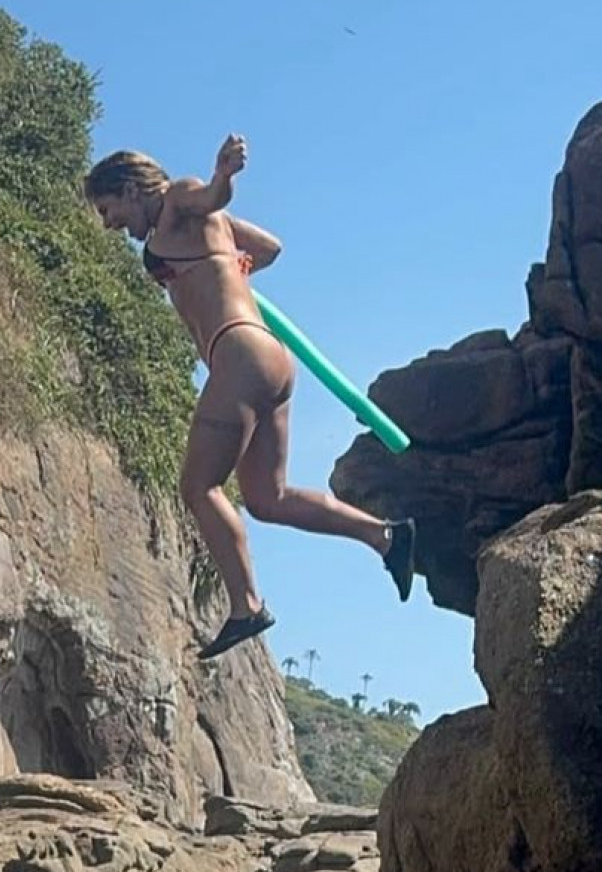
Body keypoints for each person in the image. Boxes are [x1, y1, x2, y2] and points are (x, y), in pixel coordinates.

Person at [85, 140, 414, 658]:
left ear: (130, 189)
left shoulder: (177, 199)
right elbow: (269, 248)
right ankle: (385, 537)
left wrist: (223, 177)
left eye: (108, 210)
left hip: (238, 356)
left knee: (198, 486)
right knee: (266, 498)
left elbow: (209, 197)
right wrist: (223, 265)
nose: (109, 225)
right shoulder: (199, 229)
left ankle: (247, 606)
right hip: (271, 360)